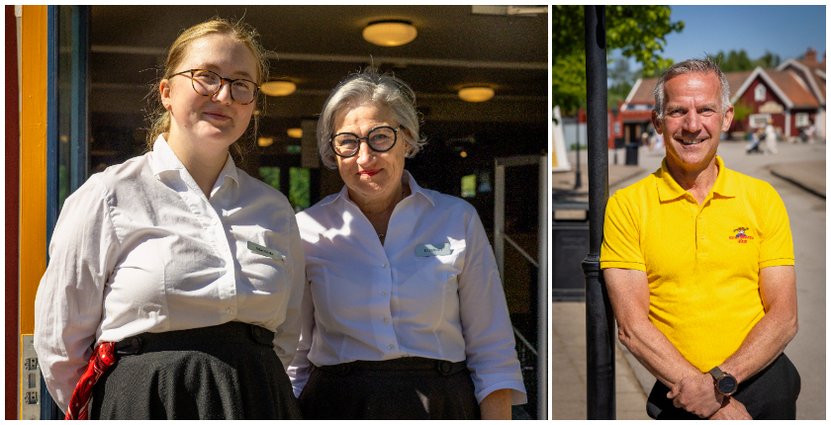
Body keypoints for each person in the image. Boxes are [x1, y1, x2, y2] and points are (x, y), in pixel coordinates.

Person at [33, 18, 304, 419]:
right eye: (206, 77)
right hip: (147, 400)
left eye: (241, 84)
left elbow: (286, 334)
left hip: (257, 399)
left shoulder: (274, 208)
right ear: (166, 92)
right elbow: (60, 340)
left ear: (252, 105)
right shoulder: (109, 195)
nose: (224, 95)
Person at [286, 69, 526, 420]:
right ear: (333, 150)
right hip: (338, 405)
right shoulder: (307, 229)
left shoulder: (457, 218)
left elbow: (492, 347)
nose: (364, 158)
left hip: (443, 404)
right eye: (348, 142)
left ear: (408, 140)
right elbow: (295, 354)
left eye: (379, 137)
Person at [601, 58, 800, 420]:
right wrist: (707, 398)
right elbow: (632, 327)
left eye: (705, 110)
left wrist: (720, 384)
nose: (692, 126)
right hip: (680, 393)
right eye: (678, 111)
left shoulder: (762, 197)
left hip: (764, 382)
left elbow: (784, 316)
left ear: (726, 117)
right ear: (658, 122)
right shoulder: (627, 206)